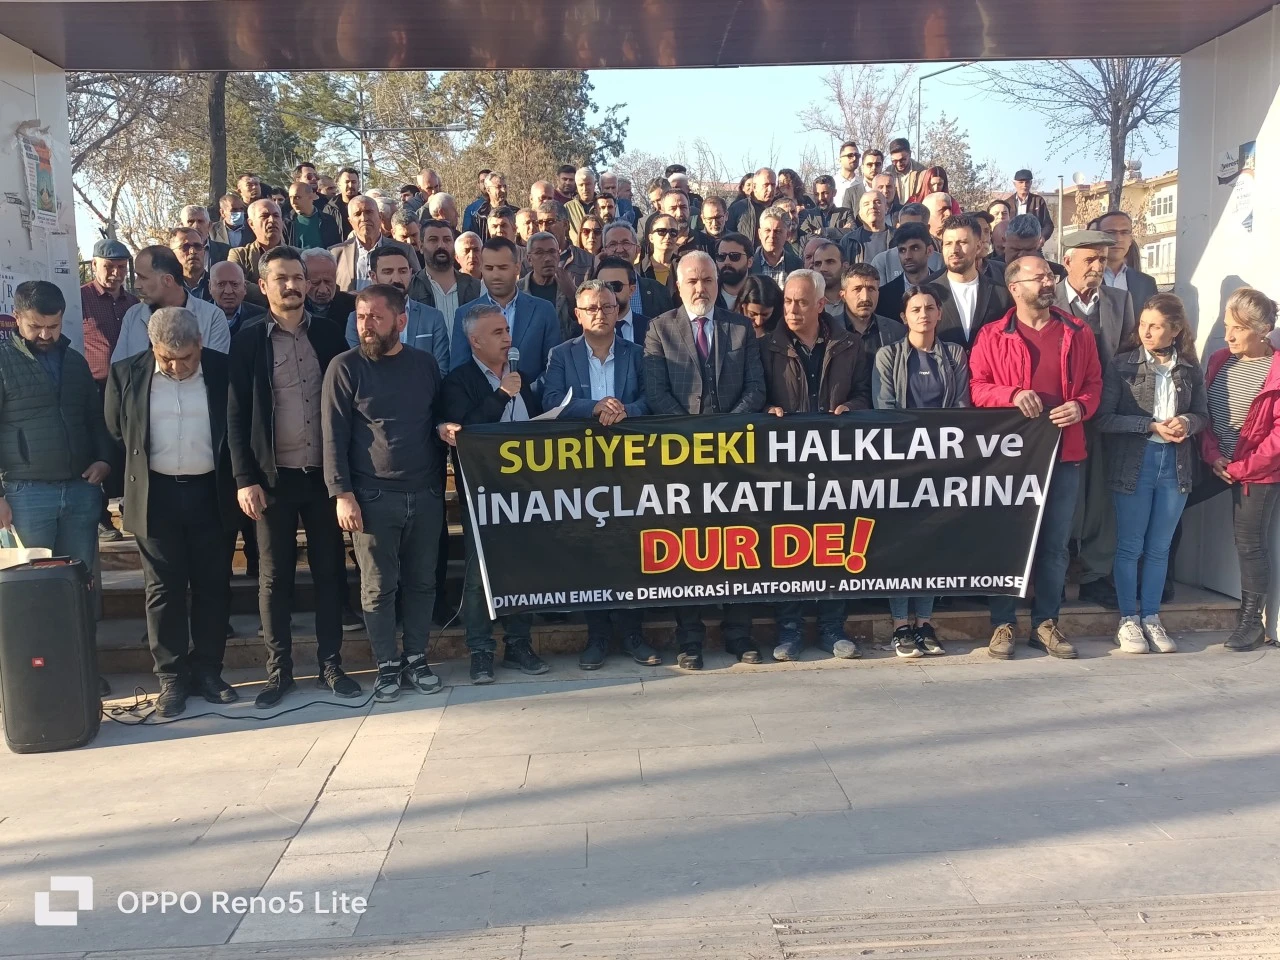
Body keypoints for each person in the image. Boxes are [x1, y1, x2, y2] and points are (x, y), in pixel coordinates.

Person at [227, 247, 359, 707]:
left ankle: (330, 665)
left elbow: (346, 407)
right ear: (263, 286)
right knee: (274, 577)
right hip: (272, 480)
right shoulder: (248, 340)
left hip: (323, 477)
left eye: (298, 277)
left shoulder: (328, 334)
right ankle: (278, 671)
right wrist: (244, 478)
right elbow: (236, 414)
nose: (292, 285)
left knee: (330, 573)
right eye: (281, 278)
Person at [104, 306, 238, 717]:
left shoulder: (224, 371)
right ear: (152, 346)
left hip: (211, 492)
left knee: (213, 586)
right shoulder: (126, 374)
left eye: (186, 358)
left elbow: (238, 428)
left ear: (200, 343)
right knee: (163, 590)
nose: (177, 367)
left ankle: (209, 671)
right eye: (167, 358)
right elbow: (117, 429)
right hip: (155, 494)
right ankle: (172, 678)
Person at [970, 256, 1102, 660]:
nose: (1048, 282)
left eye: (1050, 276)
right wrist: (1010, 395)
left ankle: (1046, 622)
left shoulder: (1077, 330)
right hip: (1011, 459)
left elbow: (1095, 383)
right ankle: (1003, 622)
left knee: (1055, 545)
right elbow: (977, 387)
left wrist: (1082, 406)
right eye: (1039, 277)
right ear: (1014, 288)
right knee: (1006, 541)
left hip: (1065, 453)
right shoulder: (992, 335)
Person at [322, 282, 447, 701]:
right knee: (378, 587)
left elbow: (436, 416)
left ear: (401, 320)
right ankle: (387, 665)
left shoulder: (424, 364)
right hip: (372, 497)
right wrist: (342, 493)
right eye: (361, 317)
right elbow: (333, 436)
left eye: (376, 316)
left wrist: (444, 427)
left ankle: (417, 658)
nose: (367, 325)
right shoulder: (344, 367)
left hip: (425, 493)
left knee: (422, 583)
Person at [644, 251, 765, 668]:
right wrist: (692, 436)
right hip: (683, 458)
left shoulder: (741, 327)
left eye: (708, 280)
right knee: (687, 548)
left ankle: (739, 634)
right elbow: (656, 393)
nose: (701, 288)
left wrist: (726, 431)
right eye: (693, 281)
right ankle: (690, 638)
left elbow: (756, 388)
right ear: (678, 285)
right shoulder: (659, 329)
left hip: (734, 456)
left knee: (738, 546)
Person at [0, 281, 114, 695]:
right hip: (25, 495)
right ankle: (34, 684)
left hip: (80, 491)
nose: (46, 334)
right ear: (17, 318)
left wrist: (104, 459)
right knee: (30, 593)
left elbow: (95, 418)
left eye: (54, 325)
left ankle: (80, 672)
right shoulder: (3, 362)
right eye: (36, 326)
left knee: (78, 588)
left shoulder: (75, 362)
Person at [542, 280, 657, 668]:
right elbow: (552, 402)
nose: (600, 314)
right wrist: (593, 408)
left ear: (618, 310)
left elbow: (651, 400)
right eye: (591, 308)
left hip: (630, 468)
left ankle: (633, 633)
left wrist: (625, 411)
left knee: (630, 549)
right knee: (592, 551)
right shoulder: (561, 355)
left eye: (607, 307)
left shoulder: (637, 353)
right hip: (583, 469)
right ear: (578, 315)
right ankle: (598, 635)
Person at [437, 302, 548, 684]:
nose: (507, 339)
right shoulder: (459, 381)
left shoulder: (522, 376)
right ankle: (481, 650)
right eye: (498, 333)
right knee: (478, 571)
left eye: (507, 331)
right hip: (481, 492)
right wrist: (501, 394)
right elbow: (466, 429)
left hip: (525, 491)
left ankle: (519, 644)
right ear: (475, 341)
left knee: (523, 567)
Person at [762, 269, 870, 661]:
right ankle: (789, 629)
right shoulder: (767, 346)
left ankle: (832, 626)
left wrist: (851, 408)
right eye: (788, 301)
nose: (792, 309)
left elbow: (864, 394)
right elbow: (756, 395)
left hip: (835, 464)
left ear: (821, 304)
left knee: (833, 543)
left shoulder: (850, 345)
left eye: (802, 302)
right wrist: (766, 410)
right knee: (787, 546)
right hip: (785, 465)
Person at [1094, 293, 1207, 655]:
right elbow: (1104, 419)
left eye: (1156, 326)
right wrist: (1150, 426)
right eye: (1143, 324)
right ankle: (1128, 618)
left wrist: (1186, 422)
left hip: (1176, 466)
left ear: (1175, 330)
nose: (1146, 332)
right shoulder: (1122, 365)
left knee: (1160, 548)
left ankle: (1152, 616)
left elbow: (1202, 415)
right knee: (1131, 545)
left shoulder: (1189, 369)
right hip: (1135, 463)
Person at [874, 285, 972, 657]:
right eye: (915, 309)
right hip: (901, 464)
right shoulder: (888, 356)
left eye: (930, 308)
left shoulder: (955, 355)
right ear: (904, 317)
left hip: (942, 462)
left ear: (939, 313)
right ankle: (900, 625)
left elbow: (961, 407)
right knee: (901, 545)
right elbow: (885, 410)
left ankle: (925, 623)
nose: (923, 315)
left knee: (931, 543)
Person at [1055, 230, 1136, 607]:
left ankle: (1095, 575)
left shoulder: (1121, 300)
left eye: (1102, 259)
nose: (1097, 266)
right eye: (1089, 259)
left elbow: (1127, 356)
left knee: (1100, 498)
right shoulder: (1048, 298)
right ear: (1067, 261)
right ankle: (1054, 574)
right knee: (1059, 498)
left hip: (1103, 414)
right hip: (1059, 415)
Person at [1200, 287, 1280, 651]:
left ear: (1263, 330)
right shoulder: (1219, 360)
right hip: (1216, 462)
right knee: (1170, 506)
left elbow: (1277, 436)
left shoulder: (1275, 370)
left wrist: (1244, 467)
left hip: (1257, 472)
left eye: (1238, 328)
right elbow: (1204, 412)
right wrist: (1212, 455)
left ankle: (1251, 625)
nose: (1228, 335)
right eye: (1226, 326)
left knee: (1250, 544)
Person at [80, 239, 137, 542]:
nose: (116, 273)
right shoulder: (80, 299)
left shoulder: (134, 303)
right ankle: (101, 518)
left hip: (129, 388)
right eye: (109, 266)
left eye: (121, 267)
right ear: (94, 265)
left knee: (129, 447)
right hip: (96, 388)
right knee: (97, 449)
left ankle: (133, 509)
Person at [449, 237, 561, 382]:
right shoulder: (464, 314)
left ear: (517, 268)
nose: (495, 275)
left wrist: (527, 391)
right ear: (481, 268)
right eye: (489, 268)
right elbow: (459, 372)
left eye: (502, 268)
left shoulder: (543, 310)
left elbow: (554, 366)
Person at [111, 245, 231, 363]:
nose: (136, 285)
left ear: (167, 280)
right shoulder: (133, 316)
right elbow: (119, 368)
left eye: (142, 277)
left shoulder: (212, 317)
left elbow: (215, 368)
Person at [926, 215, 1014, 350]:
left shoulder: (1002, 294)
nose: (954, 250)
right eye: (948, 243)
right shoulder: (926, 293)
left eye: (962, 242)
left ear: (978, 246)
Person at [406, 219, 482, 335]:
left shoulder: (476, 287)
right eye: (433, 240)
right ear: (421, 246)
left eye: (447, 240)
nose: (441, 245)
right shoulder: (411, 288)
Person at [331, 196, 417, 293]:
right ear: (350, 221)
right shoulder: (335, 253)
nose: (364, 218)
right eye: (357, 214)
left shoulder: (404, 249)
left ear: (380, 217)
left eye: (369, 212)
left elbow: (417, 286)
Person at [602, 222, 675, 318]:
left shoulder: (659, 291)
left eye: (626, 243)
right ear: (604, 251)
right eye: (612, 244)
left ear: (638, 249)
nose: (619, 249)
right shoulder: (592, 290)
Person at [228, 199, 286, 305]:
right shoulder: (239, 255)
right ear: (251, 224)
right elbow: (237, 283)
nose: (272, 220)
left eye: (276, 215)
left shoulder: (298, 255)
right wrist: (279, 293)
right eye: (265, 216)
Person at [1095, 210, 1158, 307]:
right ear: (1098, 238)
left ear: (1130, 239)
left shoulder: (1146, 283)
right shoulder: (1083, 278)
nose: (1118, 239)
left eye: (1124, 232)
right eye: (1110, 232)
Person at [840, 263, 906, 353]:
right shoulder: (828, 330)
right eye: (857, 289)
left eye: (871, 289)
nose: (865, 297)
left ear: (878, 294)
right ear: (843, 296)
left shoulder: (898, 331)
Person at [870, 206, 942, 288]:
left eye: (915, 227)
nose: (908, 256)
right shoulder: (882, 261)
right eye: (904, 227)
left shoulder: (940, 261)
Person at [535, 200, 594, 291]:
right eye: (540, 223)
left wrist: (571, 291)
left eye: (550, 222)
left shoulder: (587, 260)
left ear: (565, 225)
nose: (544, 228)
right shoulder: (529, 260)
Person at [591, 256, 650, 346]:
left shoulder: (651, 328)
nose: (609, 292)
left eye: (616, 286)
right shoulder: (583, 329)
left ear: (631, 290)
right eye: (602, 286)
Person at [209, 260, 265, 339]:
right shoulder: (197, 317)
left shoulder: (261, 317)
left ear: (244, 288)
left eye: (235, 284)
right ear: (210, 287)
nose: (228, 291)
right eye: (221, 284)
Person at [301, 247, 356, 326]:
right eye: (315, 283)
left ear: (335, 277)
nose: (323, 290)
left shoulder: (353, 306)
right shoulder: (294, 307)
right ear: (304, 280)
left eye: (328, 281)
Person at [751, 207, 802, 285]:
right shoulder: (748, 265)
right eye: (767, 230)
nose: (772, 236)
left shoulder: (797, 266)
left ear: (787, 235)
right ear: (760, 234)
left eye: (777, 231)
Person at [285, 180, 340, 250]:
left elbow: (336, 249)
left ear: (310, 197)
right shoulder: (287, 223)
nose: (293, 202)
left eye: (297, 197)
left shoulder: (328, 221)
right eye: (290, 197)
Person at [728, 167, 776, 245]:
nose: (770, 189)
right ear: (754, 187)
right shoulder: (738, 208)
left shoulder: (779, 208)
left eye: (773, 185)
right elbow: (728, 238)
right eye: (766, 185)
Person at [841, 192, 891, 264]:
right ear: (860, 213)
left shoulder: (898, 238)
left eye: (877, 202)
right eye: (866, 204)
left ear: (886, 208)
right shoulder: (848, 241)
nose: (872, 206)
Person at [1005, 170, 1055, 242]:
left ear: (1031, 183)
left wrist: (1043, 237)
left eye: (1027, 182)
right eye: (1021, 182)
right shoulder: (1007, 203)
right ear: (1014, 184)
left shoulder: (1038, 201)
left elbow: (1048, 225)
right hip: (1012, 244)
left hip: (1033, 244)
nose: (1024, 185)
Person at [170, 226, 213, 303]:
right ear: (172, 254)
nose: (193, 251)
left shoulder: (216, 284)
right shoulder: (167, 287)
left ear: (204, 251)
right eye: (185, 247)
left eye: (198, 246)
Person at [886, 138, 926, 206]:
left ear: (910, 154)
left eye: (902, 160)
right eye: (894, 161)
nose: (898, 164)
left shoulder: (922, 172)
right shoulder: (887, 173)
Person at [566, 167, 599, 247]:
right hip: (576, 252)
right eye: (581, 185)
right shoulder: (568, 208)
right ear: (576, 186)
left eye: (588, 184)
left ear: (594, 184)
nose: (585, 189)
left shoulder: (603, 205)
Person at [332, 167, 363, 239]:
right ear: (339, 184)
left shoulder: (367, 206)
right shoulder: (331, 208)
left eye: (354, 182)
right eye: (347, 182)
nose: (350, 185)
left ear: (358, 184)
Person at [461, 168, 492, 233]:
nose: (485, 184)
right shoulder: (471, 210)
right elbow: (467, 234)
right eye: (482, 181)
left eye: (488, 181)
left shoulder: (505, 207)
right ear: (478, 184)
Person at [832, 140, 860, 206]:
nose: (854, 158)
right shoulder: (832, 183)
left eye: (857, 155)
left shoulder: (863, 183)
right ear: (840, 159)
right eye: (850, 155)